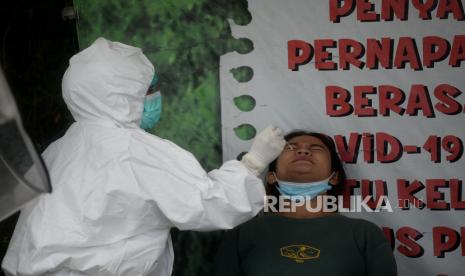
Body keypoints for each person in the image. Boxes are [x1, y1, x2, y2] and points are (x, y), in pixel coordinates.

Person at [1, 37, 286, 276]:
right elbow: (210, 204)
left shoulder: (58, 150)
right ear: (122, 96)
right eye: (148, 89)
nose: (155, 95)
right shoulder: (135, 151)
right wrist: (253, 162)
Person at [214, 131, 397, 276]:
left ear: (334, 177)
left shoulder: (365, 234)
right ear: (270, 177)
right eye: (291, 147)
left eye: (316, 148)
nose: (303, 151)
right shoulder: (241, 234)